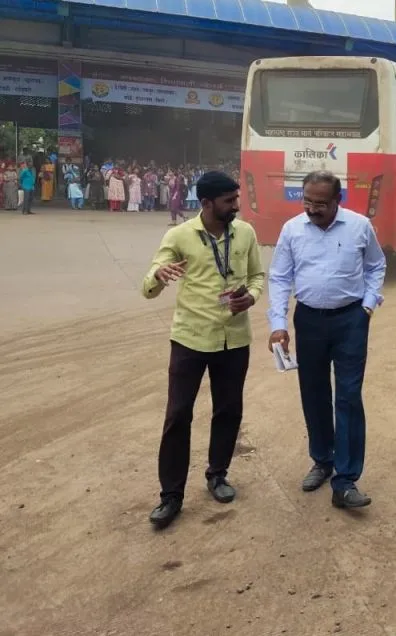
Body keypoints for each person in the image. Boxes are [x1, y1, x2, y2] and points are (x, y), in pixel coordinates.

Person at [142, 171, 266, 530]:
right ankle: (171, 496)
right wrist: (159, 277)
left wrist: (251, 297)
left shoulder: (245, 233)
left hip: (235, 339)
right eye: (229, 201)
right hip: (190, 339)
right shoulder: (179, 235)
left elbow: (257, 277)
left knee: (228, 411)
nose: (236, 206)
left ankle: (218, 475)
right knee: (178, 415)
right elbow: (149, 283)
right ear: (207, 203)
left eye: (236, 199)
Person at [268, 170, 386, 509]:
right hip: (309, 320)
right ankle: (322, 459)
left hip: (351, 320)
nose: (313, 209)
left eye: (321, 203)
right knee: (315, 392)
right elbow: (279, 277)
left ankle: (346, 480)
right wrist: (278, 323)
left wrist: (367, 305)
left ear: (338, 200)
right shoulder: (292, 230)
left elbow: (376, 266)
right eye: (307, 201)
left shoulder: (360, 226)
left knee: (348, 396)